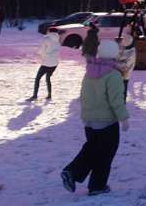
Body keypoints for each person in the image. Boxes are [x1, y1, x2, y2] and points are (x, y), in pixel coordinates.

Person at [61, 39, 129, 195]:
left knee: (92, 147)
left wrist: (86, 112)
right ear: (114, 55)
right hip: (107, 120)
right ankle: (97, 186)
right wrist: (124, 118)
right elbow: (116, 99)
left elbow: (83, 94)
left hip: (89, 119)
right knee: (106, 152)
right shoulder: (113, 74)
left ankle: (72, 172)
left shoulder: (90, 70)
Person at [29, 26, 61, 101]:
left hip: (46, 62)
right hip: (55, 62)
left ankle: (35, 95)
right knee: (48, 78)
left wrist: (40, 52)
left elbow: (40, 51)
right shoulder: (58, 39)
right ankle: (49, 94)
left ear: (49, 31)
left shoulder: (46, 39)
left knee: (38, 78)